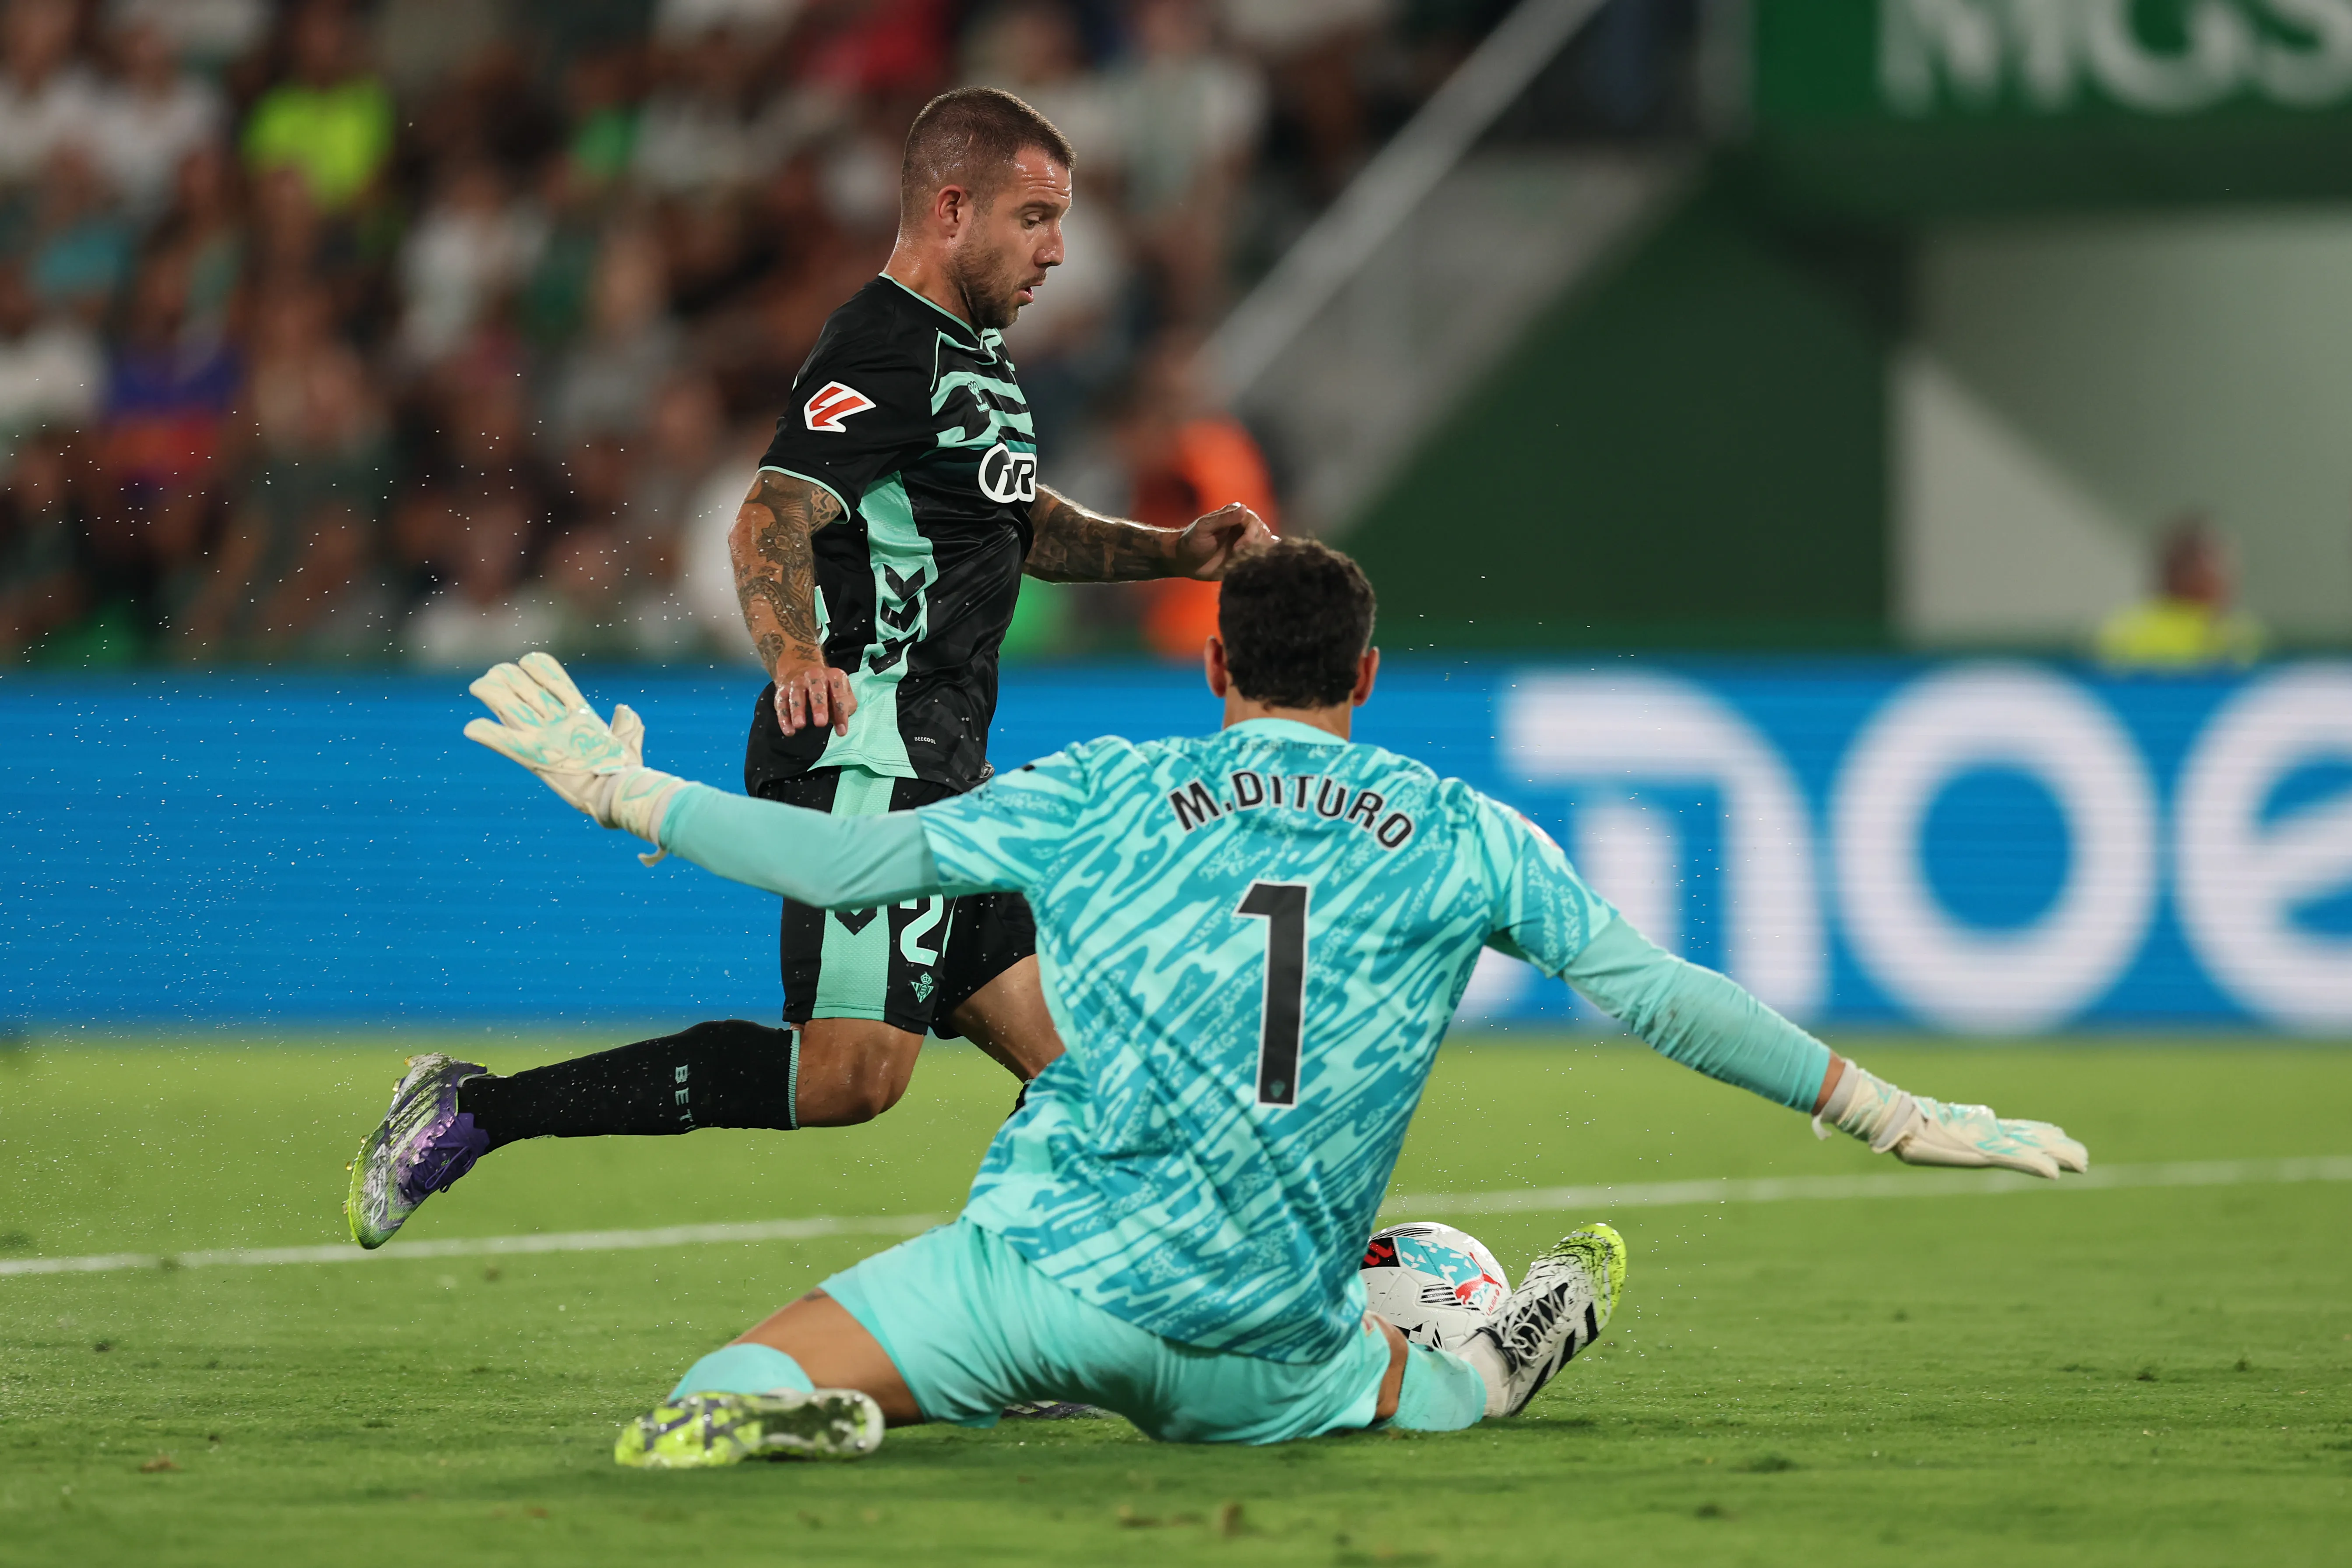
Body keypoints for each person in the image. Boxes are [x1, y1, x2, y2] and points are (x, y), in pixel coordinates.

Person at [452, 540, 2090, 1460]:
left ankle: (807, 1409)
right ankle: (1497, 1344)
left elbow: (856, 871)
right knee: (1418, 1356)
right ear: (1366, 679)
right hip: (1260, 1349)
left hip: (1039, 1283)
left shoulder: (1109, 782)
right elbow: (1660, 995)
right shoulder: (1463, 831)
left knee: (706, 1398)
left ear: (1216, 666)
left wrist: (628, 792)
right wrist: (1897, 1114)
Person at [344, 86, 1272, 1250]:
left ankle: (1070, 1310)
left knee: (1071, 1062)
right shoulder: (883, 345)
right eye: (1034, 218)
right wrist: (796, 656)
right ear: (951, 207)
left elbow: (1008, 522)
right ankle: (476, 1110)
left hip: (947, 769)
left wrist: (1170, 552)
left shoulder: (971, 357)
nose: (1058, 249)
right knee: (850, 1076)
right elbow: (769, 518)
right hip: (870, 753)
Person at [2095, 514, 2264, 670]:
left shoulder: (2244, 635)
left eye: (2221, 563)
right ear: (2171, 569)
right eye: (2199, 563)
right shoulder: (2127, 632)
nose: (2215, 573)